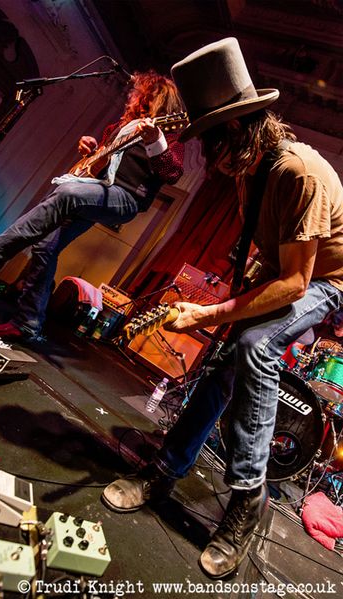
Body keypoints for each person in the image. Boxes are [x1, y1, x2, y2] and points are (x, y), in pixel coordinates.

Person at [102, 38, 343, 578]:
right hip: (282, 269)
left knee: (256, 347)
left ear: (234, 131)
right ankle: (164, 468)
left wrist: (210, 315)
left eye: (209, 142)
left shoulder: (297, 172)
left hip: (328, 279)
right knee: (219, 365)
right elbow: (267, 252)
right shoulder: (249, 171)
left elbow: (298, 281)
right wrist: (220, 314)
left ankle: (244, 504)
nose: (206, 158)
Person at [0, 71, 184, 341]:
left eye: (137, 92)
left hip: (125, 198)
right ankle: (27, 323)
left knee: (67, 191)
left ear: (151, 97)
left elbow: (172, 172)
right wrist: (92, 151)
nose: (130, 96)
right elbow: (103, 164)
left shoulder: (168, 132)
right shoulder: (122, 126)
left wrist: (155, 139)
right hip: (96, 191)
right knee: (45, 246)